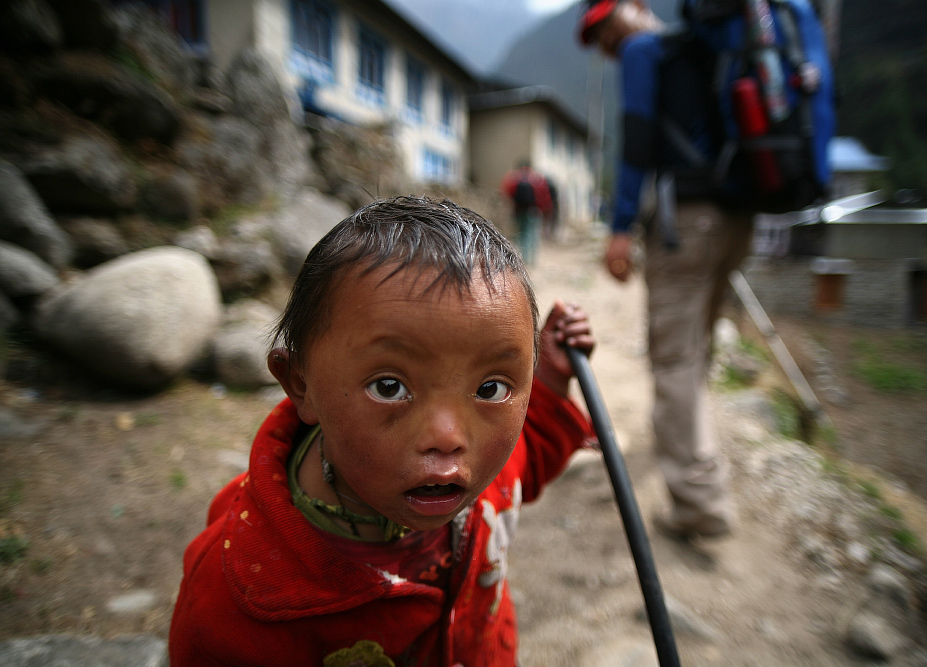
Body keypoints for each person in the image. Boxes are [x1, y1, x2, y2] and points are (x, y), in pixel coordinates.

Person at [169, 196, 595, 666]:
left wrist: (553, 382)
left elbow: (527, 456)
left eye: (491, 388)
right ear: (300, 383)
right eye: (389, 387)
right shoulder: (238, 599)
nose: (448, 436)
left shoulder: (477, 467)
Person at [578, 0, 753, 539]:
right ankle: (688, 447)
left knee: (674, 357)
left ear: (635, 8)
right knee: (695, 346)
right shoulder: (705, 48)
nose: (606, 41)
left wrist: (621, 226)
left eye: (607, 24)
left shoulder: (643, 51)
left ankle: (700, 503)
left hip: (686, 223)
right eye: (597, 36)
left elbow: (636, 143)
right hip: (736, 216)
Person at [500, 161, 552, 266]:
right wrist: (545, 210)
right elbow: (545, 197)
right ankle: (531, 259)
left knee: (520, 234)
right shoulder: (537, 179)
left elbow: (506, 193)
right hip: (534, 211)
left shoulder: (514, 178)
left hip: (519, 211)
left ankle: (521, 258)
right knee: (532, 235)